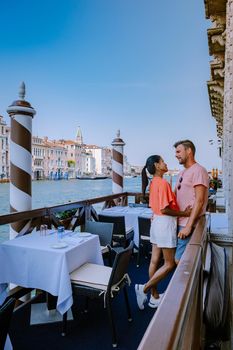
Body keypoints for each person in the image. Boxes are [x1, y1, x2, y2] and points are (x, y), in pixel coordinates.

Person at [135, 155, 191, 310]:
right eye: (163, 161)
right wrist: (185, 214)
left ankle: (154, 296)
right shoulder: (163, 183)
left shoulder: (154, 183)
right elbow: (165, 209)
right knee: (169, 263)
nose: (166, 163)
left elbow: (159, 206)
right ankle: (144, 289)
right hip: (165, 225)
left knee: (154, 261)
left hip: (156, 223)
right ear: (157, 165)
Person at [174, 140, 209, 263]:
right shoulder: (182, 172)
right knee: (178, 259)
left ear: (189, 151)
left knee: (180, 260)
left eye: (178, 151)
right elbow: (175, 195)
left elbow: (199, 201)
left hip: (189, 224)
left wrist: (189, 226)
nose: (176, 155)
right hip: (179, 222)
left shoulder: (199, 170)